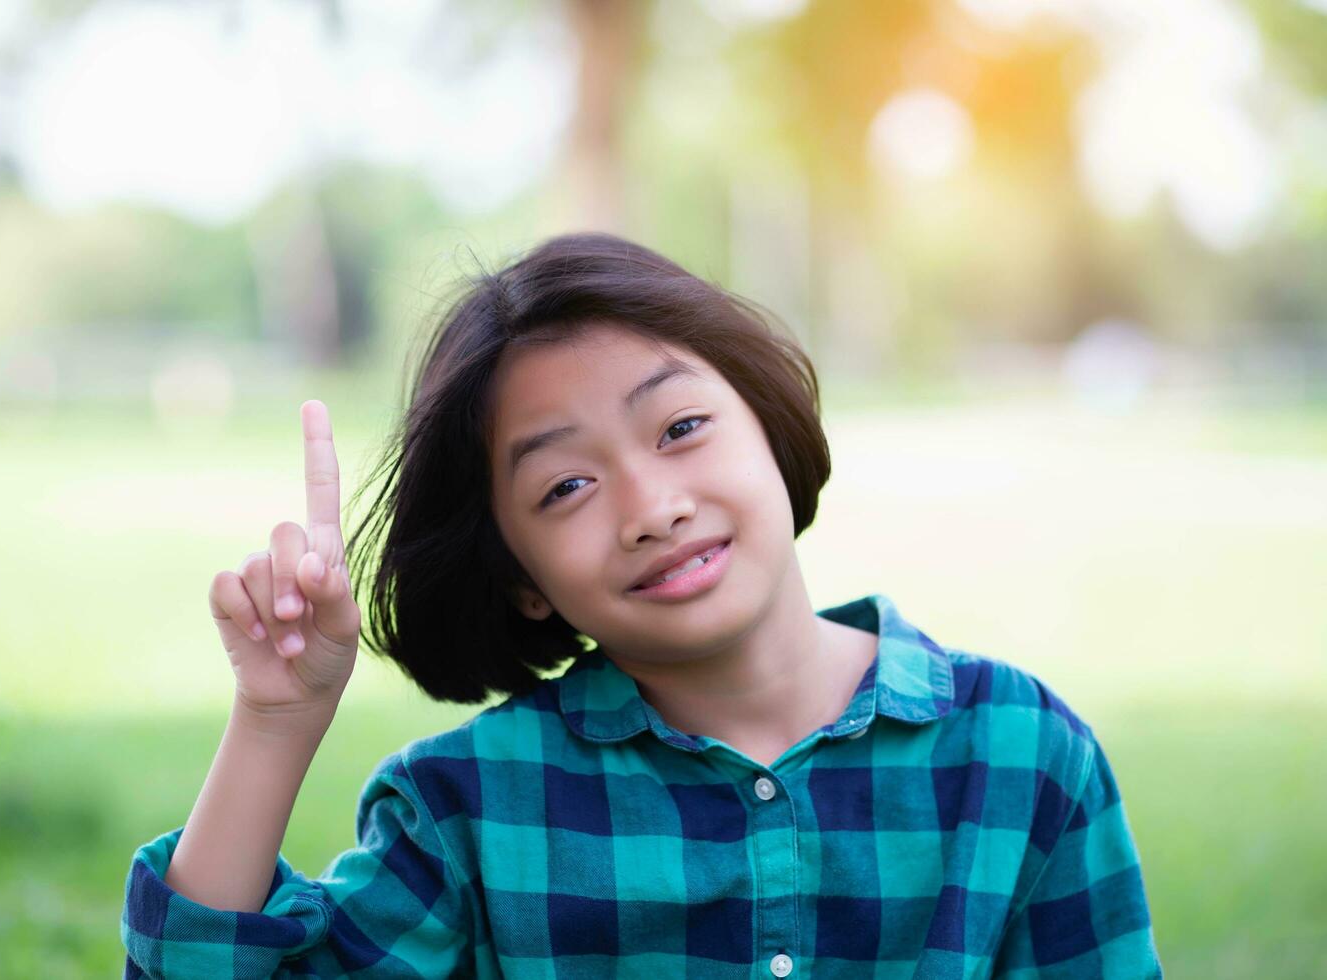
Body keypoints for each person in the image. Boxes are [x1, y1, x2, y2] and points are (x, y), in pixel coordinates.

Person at [120, 232, 1163, 978]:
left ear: (766, 417)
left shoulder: (1022, 755)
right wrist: (276, 719)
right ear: (522, 575)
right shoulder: (469, 809)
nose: (652, 507)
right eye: (564, 486)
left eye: (679, 427)